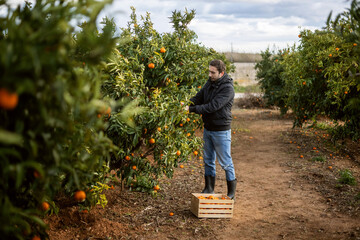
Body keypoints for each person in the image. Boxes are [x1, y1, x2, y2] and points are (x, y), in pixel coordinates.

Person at [187, 59, 237, 200]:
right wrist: (187, 104)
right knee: (208, 160)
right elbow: (199, 97)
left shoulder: (228, 89)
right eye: (209, 71)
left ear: (221, 73)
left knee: (225, 162)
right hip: (208, 128)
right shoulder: (210, 83)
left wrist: (190, 110)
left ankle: (231, 193)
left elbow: (212, 106)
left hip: (221, 130)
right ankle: (209, 188)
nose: (210, 74)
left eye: (212, 72)